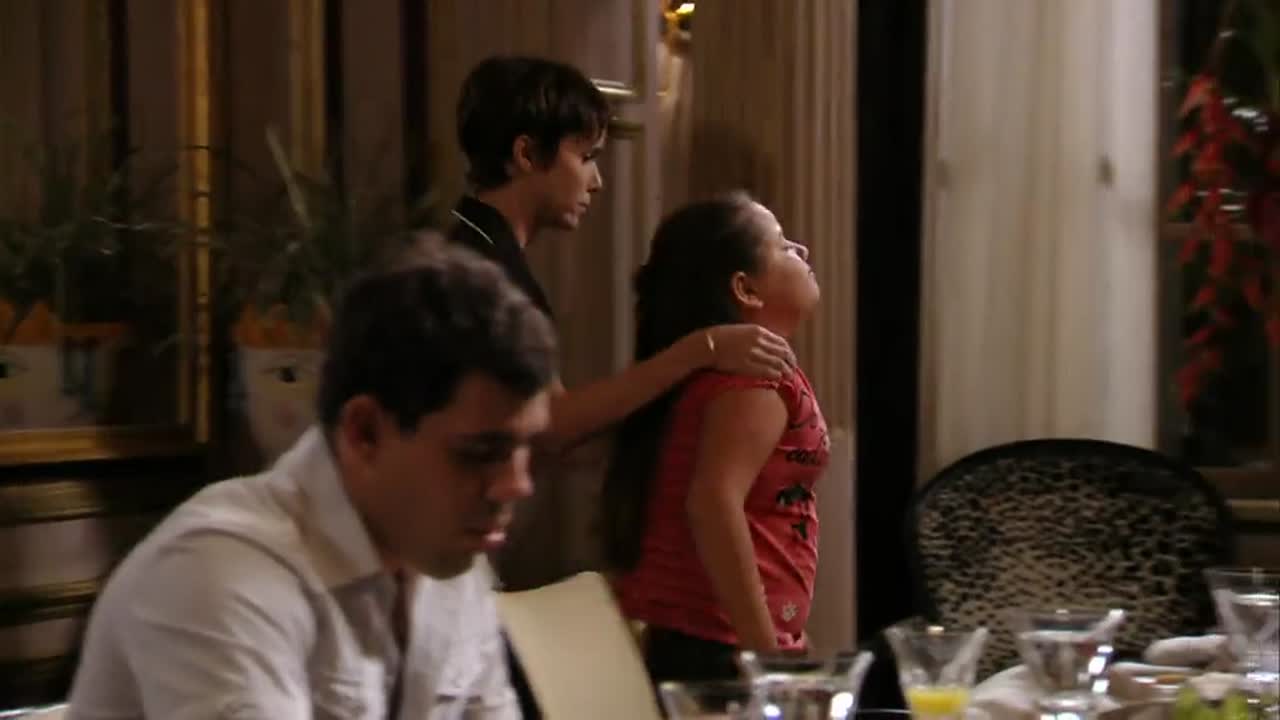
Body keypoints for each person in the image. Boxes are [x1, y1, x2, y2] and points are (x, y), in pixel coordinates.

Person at [65, 236, 556, 719]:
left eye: (525, 446)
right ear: (365, 432)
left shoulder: (449, 558)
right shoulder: (216, 570)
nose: (517, 485)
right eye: (481, 453)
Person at [447, 55, 796, 452]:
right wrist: (704, 348)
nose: (596, 181)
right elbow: (550, 424)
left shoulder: (480, 249)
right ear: (526, 155)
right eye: (585, 157)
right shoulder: (485, 271)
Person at [604, 192, 830, 683]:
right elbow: (712, 504)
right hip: (714, 646)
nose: (802, 250)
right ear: (746, 289)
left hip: (720, 639)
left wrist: (786, 635)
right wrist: (765, 659)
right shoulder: (752, 383)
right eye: (783, 246)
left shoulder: (748, 374)